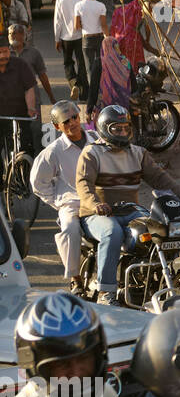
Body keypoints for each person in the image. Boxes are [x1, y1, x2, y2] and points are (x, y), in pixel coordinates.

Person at [76, 105, 180, 305]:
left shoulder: (138, 153)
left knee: (161, 227)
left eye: (126, 128)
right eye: (117, 129)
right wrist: (96, 204)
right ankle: (107, 293)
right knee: (112, 232)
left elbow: (159, 177)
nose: (123, 133)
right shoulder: (92, 153)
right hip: (97, 214)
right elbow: (83, 184)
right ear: (104, 129)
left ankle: (156, 279)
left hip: (131, 210)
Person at [31, 101, 97, 294]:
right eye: (66, 121)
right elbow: (38, 183)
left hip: (100, 199)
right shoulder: (54, 151)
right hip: (72, 203)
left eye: (75, 117)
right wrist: (58, 202)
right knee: (69, 230)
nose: (72, 123)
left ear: (80, 116)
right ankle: (76, 279)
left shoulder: (97, 140)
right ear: (57, 126)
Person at [73, 0, 107, 112]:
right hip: (99, 38)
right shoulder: (101, 5)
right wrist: (108, 38)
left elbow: (76, 26)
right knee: (101, 66)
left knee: (89, 69)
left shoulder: (78, 6)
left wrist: (85, 25)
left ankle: (93, 97)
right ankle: (102, 91)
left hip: (86, 40)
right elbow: (104, 25)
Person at [0, 40, 38, 158]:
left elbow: (29, 89)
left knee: (26, 148)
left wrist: (31, 108)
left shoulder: (20, 64)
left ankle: (26, 171)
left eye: (5, 52)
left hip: (19, 116)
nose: (3, 56)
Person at [54, 0, 87, 100]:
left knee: (68, 63)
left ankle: (74, 83)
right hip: (80, 37)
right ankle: (83, 93)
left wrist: (57, 39)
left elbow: (58, 22)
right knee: (82, 64)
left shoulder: (60, 0)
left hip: (65, 38)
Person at [8, 23, 55, 106]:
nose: (11, 36)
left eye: (14, 33)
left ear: (22, 35)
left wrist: (51, 96)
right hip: (12, 102)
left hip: (33, 100)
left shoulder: (34, 53)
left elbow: (43, 76)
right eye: (9, 33)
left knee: (34, 118)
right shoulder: (4, 54)